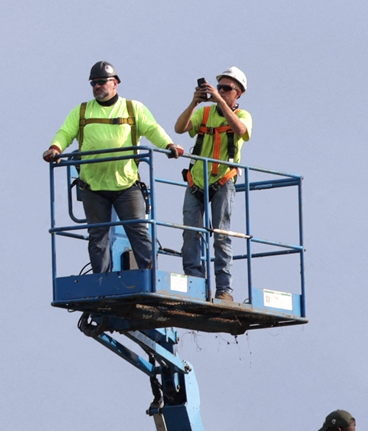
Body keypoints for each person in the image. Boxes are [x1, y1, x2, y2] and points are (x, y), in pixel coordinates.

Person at [44, 61, 184, 274]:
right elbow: (65, 132)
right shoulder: (82, 111)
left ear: (115, 83)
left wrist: (169, 145)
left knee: (138, 230)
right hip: (93, 186)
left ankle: (149, 277)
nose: (97, 86)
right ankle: (102, 280)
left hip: (126, 185)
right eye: (93, 83)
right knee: (98, 236)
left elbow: (152, 129)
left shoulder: (132, 108)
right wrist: (55, 148)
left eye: (102, 82)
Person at [174, 67, 252, 305]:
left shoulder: (245, 115)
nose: (220, 91)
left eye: (226, 89)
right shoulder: (205, 113)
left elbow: (240, 130)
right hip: (196, 181)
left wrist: (219, 101)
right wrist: (194, 103)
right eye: (219, 87)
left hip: (223, 181)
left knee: (221, 235)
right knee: (190, 234)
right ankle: (195, 285)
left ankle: (224, 290)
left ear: (237, 93)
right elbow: (180, 128)